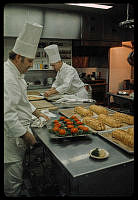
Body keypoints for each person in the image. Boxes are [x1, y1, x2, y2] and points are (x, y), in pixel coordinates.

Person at [4, 22, 49, 197]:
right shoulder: (8, 78)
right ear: (18, 58)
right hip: (10, 141)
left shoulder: (16, 74)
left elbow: (21, 101)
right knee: (12, 185)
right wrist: (27, 136)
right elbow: (7, 115)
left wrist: (36, 112)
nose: (31, 65)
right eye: (30, 60)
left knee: (16, 177)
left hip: (16, 136)